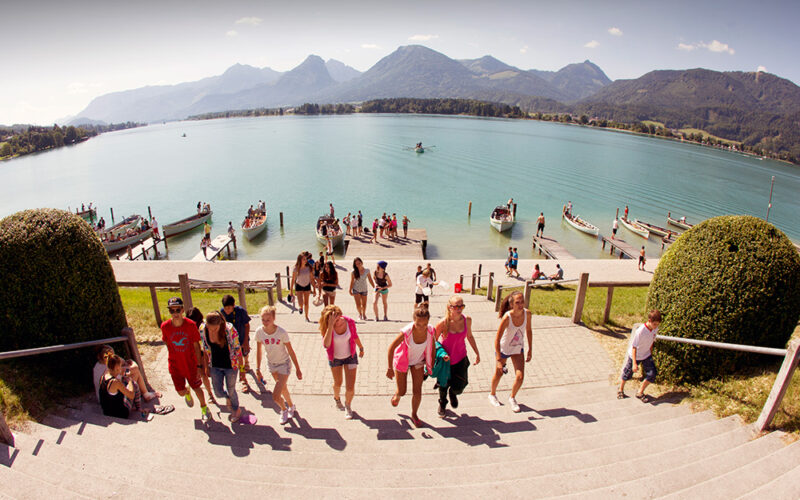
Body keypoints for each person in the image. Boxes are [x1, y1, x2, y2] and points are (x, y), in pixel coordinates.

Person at [160, 297, 209, 422]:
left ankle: (204, 408)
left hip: (190, 363)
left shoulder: (191, 325)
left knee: (197, 388)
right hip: (175, 365)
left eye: (177, 310)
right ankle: (187, 392)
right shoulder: (165, 326)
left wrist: (199, 366)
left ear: (182, 310)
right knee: (181, 392)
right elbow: (167, 342)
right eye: (172, 310)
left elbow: (197, 346)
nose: (175, 313)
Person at [387, 304, 435, 427]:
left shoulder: (430, 330)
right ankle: (397, 395)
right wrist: (389, 368)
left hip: (418, 362)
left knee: (417, 391)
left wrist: (431, 365)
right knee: (402, 391)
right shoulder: (407, 331)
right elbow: (391, 348)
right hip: (403, 361)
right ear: (414, 321)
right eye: (418, 324)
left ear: (428, 322)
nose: (421, 327)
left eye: (424, 324)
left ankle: (414, 414)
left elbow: (433, 348)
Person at [434, 295, 481, 417]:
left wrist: (477, 353)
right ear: (449, 307)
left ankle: (453, 393)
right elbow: (433, 341)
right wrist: (438, 355)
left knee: (460, 385)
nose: (459, 309)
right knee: (443, 385)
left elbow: (470, 336)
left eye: (462, 306)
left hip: (461, 358)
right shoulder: (443, 323)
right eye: (456, 306)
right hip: (446, 361)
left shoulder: (467, 320)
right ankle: (442, 403)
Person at [256, 306, 303, 425]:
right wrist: (258, 368)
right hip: (272, 364)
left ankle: (283, 410)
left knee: (276, 396)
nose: (265, 322)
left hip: (284, 364)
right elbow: (259, 351)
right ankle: (291, 406)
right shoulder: (259, 332)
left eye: (268, 320)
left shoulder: (281, 332)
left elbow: (290, 351)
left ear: (274, 319)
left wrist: (298, 368)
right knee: (283, 388)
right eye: (263, 320)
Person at [489, 292, 533, 412]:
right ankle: (492, 394)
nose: (520, 305)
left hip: (517, 348)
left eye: (522, 302)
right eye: (517, 302)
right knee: (499, 374)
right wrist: (499, 359)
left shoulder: (527, 314)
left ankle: (512, 397)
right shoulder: (507, 317)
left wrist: (530, 349)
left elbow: (529, 330)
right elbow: (497, 339)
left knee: (520, 376)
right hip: (504, 348)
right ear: (512, 304)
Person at [320, 305, 364, 420]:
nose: (338, 321)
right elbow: (326, 344)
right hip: (335, 359)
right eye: (334, 319)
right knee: (338, 383)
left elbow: (354, 336)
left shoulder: (349, 322)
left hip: (350, 357)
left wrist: (361, 348)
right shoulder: (327, 327)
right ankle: (336, 398)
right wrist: (330, 326)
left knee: (350, 388)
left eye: (339, 317)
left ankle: (348, 405)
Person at [201, 311, 244, 422]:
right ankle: (227, 398)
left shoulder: (229, 330)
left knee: (231, 389)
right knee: (218, 392)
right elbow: (205, 348)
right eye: (210, 328)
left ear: (220, 324)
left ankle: (236, 409)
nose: (212, 331)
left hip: (231, 366)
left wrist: (242, 370)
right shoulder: (203, 329)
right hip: (215, 365)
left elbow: (238, 350)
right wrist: (206, 366)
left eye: (215, 329)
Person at [618, 310, 662, 402]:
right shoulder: (640, 331)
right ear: (649, 321)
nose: (656, 326)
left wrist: (650, 353)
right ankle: (620, 390)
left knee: (652, 374)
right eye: (654, 324)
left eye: (657, 324)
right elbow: (634, 347)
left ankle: (640, 392)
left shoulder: (655, 329)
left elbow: (651, 341)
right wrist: (634, 363)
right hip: (635, 355)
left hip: (646, 355)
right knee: (627, 373)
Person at [93, 345, 160, 403]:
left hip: (102, 398)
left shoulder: (97, 366)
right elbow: (135, 368)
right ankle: (145, 395)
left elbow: (123, 362)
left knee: (130, 373)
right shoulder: (112, 367)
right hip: (113, 400)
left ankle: (145, 394)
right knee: (135, 373)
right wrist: (132, 362)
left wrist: (122, 362)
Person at [99, 354, 153, 421]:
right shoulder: (115, 382)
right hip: (120, 414)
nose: (119, 371)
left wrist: (125, 373)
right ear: (113, 368)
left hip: (106, 411)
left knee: (130, 379)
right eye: (117, 369)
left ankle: (141, 401)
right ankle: (139, 408)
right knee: (134, 384)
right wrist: (130, 380)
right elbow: (131, 395)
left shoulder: (103, 376)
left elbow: (126, 371)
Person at [220, 294, 252, 393]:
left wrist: (245, 341)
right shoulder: (222, 313)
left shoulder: (241, 311)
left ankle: (247, 362)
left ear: (233, 305)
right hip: (231, 341)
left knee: (245, 353)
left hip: (242, 338)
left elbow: (247, 325)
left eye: (229, 308)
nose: (227, 310)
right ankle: (244, 380)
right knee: (238, 359)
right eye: (225, 308)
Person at [186, 307, 215, 402]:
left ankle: (210, 394)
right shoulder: (186, 327)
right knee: (191, 375)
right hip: (190, 354)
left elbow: (205, 343)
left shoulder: (203, 327)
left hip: (201, 354)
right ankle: (187, 389)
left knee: (203, 374)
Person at [290, 253, 314, 322]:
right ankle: (300, 307)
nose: (306, 260)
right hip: (299, 286)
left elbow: (312, 278)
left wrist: (314, 289)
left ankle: (306, 317)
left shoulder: (309, 268)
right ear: (300, 260)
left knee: (306, 303)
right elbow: (293, 279)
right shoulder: (296, 268)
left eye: (306, 259)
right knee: (301, 303)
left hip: (307, 285)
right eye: (304, 259)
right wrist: (291, 290)